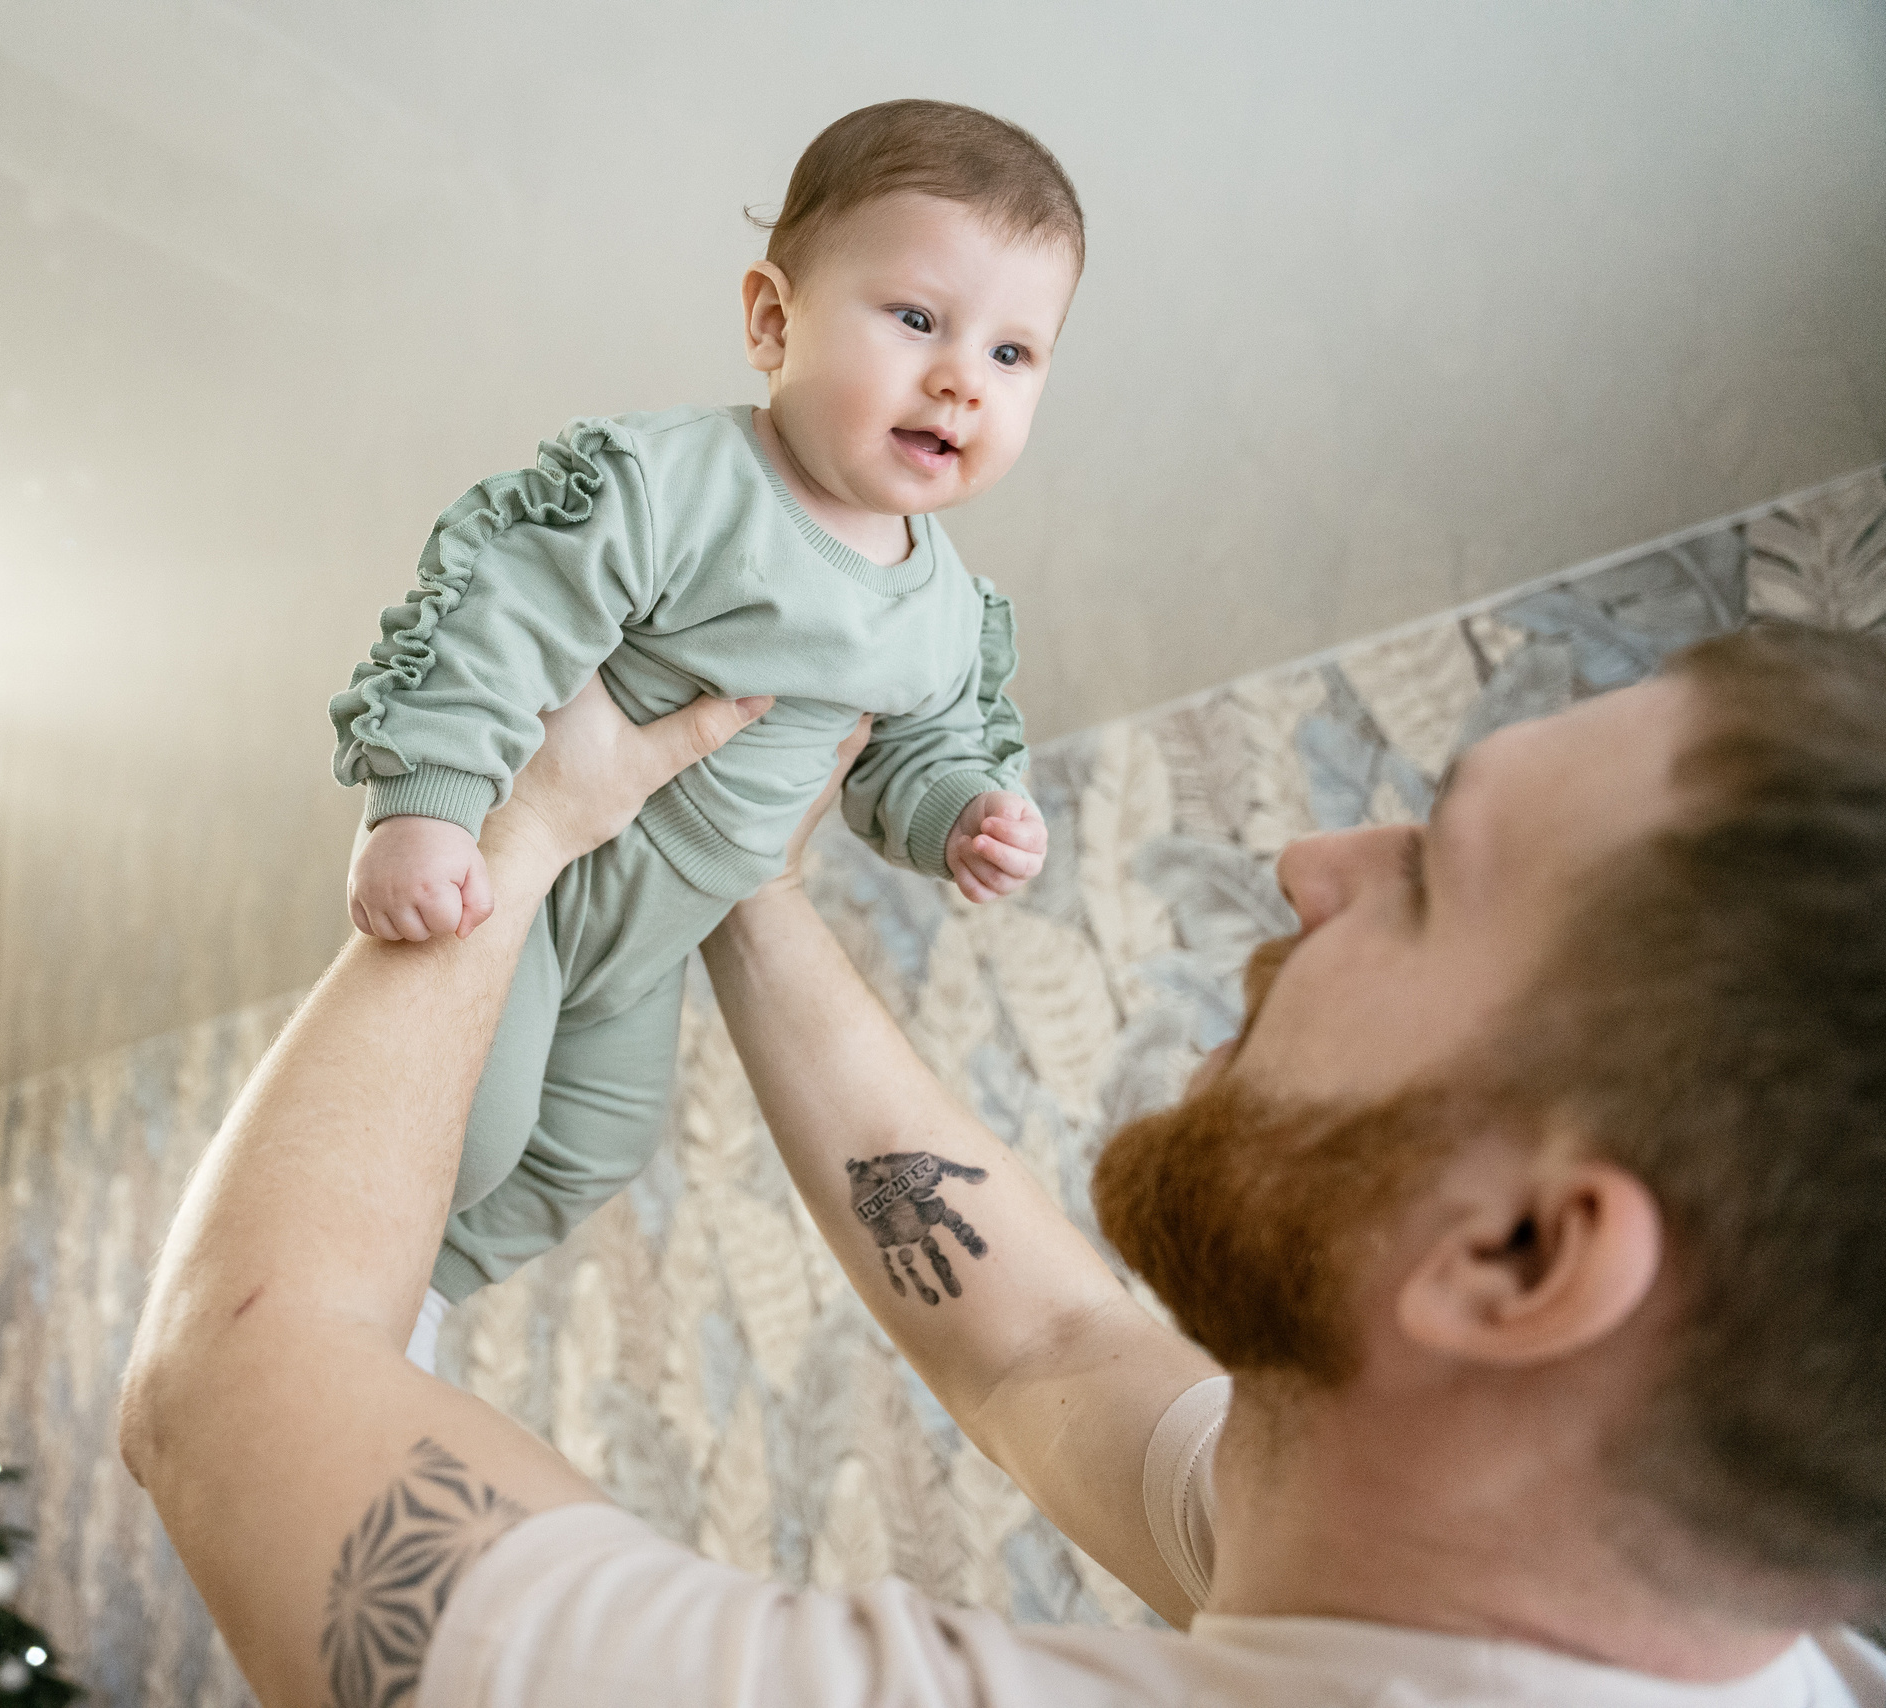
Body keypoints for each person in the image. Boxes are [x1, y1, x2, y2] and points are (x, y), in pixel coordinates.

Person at [120, 623, 1886, 1706]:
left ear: (1516, 1254)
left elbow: (235, 1375)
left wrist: (522, 826)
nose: (1316, 854)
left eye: (1433, 874)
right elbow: (1046, 1347)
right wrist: (746, 872)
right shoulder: (1594, 1596)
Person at [328, 100, 1063, 1342]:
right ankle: (339, 1296)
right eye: (918, 320)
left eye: (1012, 354)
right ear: (774, 319)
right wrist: (427, 801)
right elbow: (496, 608)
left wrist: (965, 816)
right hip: (526, 881)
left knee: (593, 1146)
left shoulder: (943, 611)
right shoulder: (681, 484)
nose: (959, 378)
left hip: (660, 932)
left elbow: (919, 752)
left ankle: (426, 1302)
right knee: (472, 1120)